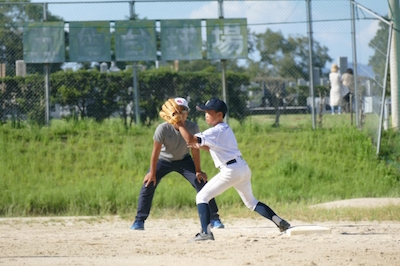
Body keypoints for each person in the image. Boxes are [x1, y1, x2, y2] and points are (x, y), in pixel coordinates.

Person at [176, 97, 291, 241]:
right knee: (252, 203)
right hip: (242, 168)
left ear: (219, 115)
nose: (206, 114)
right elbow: (211, 147)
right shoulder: (224, 129)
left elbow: (190, 140)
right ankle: (279, 222)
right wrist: (198, 145)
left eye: (209, 112)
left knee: (202, 197)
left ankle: (205, 232)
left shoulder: (215, 131)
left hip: (230, 171)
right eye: (204, 112)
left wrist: (179, 123)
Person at [130, 97, 224, 230]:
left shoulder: (192, 127)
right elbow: (155, 152)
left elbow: (195, 150)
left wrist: (198, 170)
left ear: (188, 113)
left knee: (201, 183)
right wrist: (152, 172)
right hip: (163, 160)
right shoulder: (162, 128)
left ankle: (214, 219)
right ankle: (139, 221)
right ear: (170, 113)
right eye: (176, 111)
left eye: (183, 110)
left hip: (184, 160)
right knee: (148, 183)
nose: (180, 114)